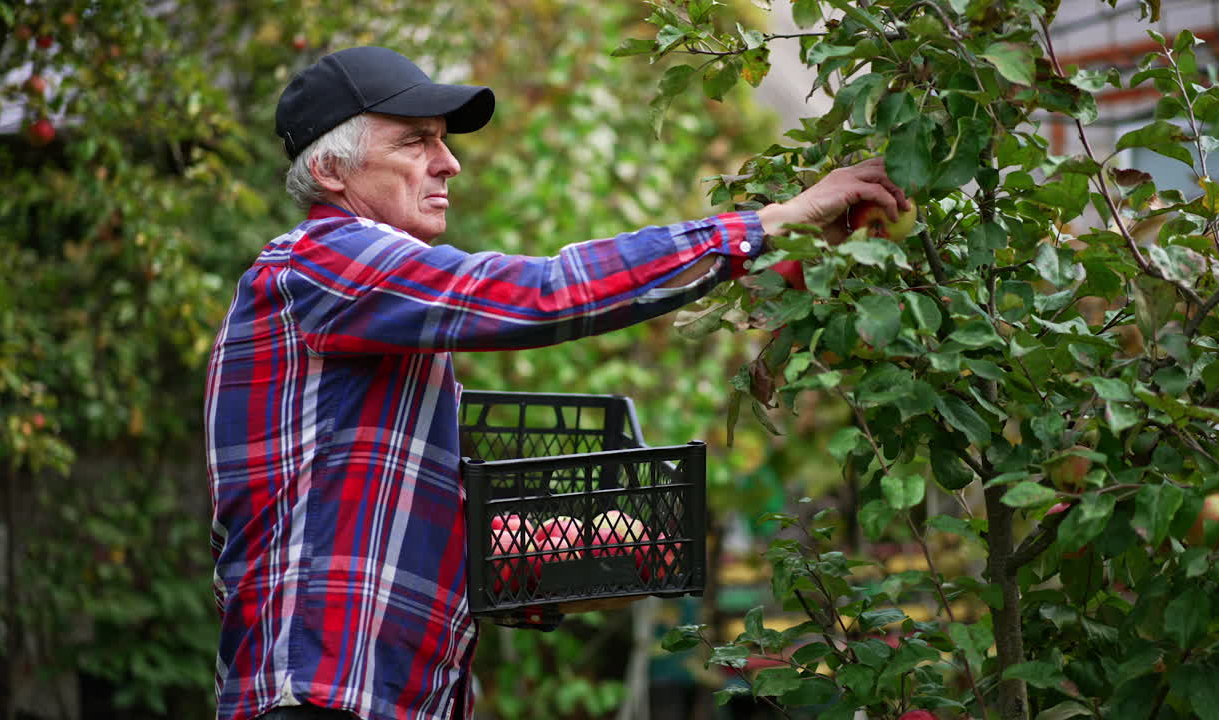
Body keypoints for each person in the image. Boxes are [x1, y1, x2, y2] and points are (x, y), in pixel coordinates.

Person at [204, 46, 907, 720]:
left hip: (377, 694)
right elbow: (543, 293)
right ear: (332, 169)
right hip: (322, 696)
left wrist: (545, 559)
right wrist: (768, 224)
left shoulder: (367, 310)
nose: (447, 163)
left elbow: (359, 497)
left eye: (443, 141)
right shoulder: (324, 264)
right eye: (416, 141)